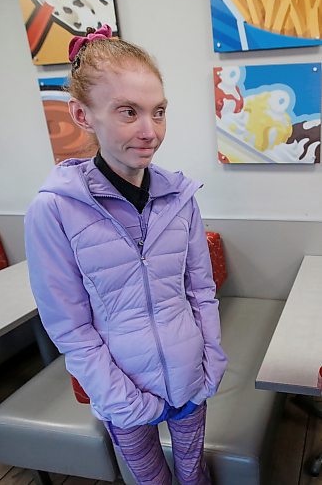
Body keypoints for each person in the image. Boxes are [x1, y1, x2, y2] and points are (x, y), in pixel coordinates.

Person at [25, 24, 227, 485]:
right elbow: (68, 326)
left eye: (158, 112)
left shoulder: (181, 196)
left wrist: (212, 360)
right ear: (81, 114)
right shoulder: (53, 210)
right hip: (121, 389)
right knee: (150, 479)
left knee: (193, 474)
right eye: (128, 112)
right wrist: (121, 399)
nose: (149, 131)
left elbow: (201, 289)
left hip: (191, 372)